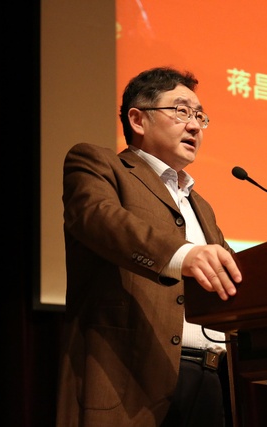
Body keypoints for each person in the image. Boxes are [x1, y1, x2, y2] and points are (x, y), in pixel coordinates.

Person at [56, 67, 243, 427]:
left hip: (212, 379)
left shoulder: (201, 206)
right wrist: (182, 255)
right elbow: (99, 219)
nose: (195, 126)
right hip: (131, 378)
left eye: (200, 116)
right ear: (138, 119)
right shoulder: (98, 164)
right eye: (182, 111)